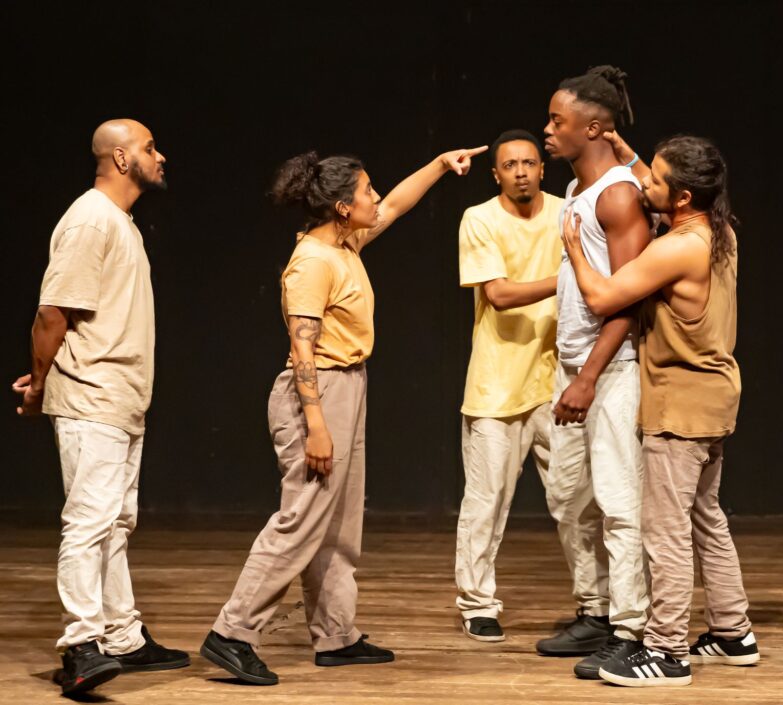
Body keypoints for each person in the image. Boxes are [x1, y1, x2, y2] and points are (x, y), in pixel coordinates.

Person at [201, 144, 487, 685]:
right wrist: (316, 425)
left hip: (348, 384)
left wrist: (439, 165)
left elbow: (395, 206)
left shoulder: (345, 244)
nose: (375, 198)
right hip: (318, 392)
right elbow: (302, 346)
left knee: (339, 520)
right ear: (341, 207)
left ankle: (335, 633)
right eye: (366, 191)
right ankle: (233, 631)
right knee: (302, 517)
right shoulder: (313, 261)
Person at [562, 134, 758, 687]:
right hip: (713, 394)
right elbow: (661, 181)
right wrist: (621, 146)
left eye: (654, 179)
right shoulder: (719, 231)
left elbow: (604, 298)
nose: (642, 181)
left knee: (666, 529)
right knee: (705, 516)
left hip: (681, 402)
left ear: (683, 197)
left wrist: (575, 249)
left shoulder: (675, 248)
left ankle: (667, 650)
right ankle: (733, 631)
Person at [13, 119, 189, 696]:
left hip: (121, 397)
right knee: (89, 521)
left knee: (115, 521)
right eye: (149, 148)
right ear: (119, 158)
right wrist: (40, 383)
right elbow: (52, 312)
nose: (160, 157)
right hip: (91, 394)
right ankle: (81, 646)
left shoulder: (120, 222)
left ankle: (121, 637)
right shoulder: (90, 219)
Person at [535, 66, 652, 680]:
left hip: (612, 370)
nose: (548, 129)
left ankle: (633, 631)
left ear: (594, 127)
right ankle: (598, 610)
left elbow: (629, 299)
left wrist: (588, 378)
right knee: (568, 498)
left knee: (619, 503)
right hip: (575, 368)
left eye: (558, 120)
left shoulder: (617, 195)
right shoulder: (580, 191)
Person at [455, 130, 566, 642]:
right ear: (495, 174)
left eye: (529, 163)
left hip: (559, 381)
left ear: (543, 167)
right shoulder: (480, 218)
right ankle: (478, 603)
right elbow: (498, 294)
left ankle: (598, 603)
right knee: (487, 501)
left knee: (577, 498)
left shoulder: (567, 212)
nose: (521, 172)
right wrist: (568, 279)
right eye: (509, 165)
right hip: (497, 384)